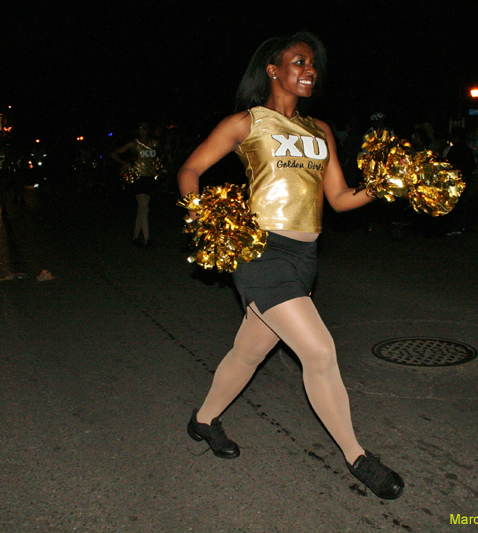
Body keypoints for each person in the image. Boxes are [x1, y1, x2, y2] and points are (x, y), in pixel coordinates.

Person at [177, 32, 404, 500]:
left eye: (314, 65)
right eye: (299, 61)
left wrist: (387, 185)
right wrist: (206, 219)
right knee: (319, 351)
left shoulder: (320, 130)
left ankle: (202, 421)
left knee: (249, 351)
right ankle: (358, 457)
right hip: (261, 253)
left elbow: (339, 200)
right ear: (273, 70)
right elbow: (189, 170)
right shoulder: (246, 123)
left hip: (305, 257)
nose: (310, 70)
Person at [111, 122, 161, 249]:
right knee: (144, 207)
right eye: (141, 128)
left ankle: (134, 237)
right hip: (138, 179)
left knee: (143, 209)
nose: (144, 130)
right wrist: (126, 165)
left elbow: (159, 157)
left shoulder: (154, 143)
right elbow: (114, 154)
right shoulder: (134, 144)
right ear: (137, 131)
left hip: (150, 178)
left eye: (146, 128)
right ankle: (147, 239)